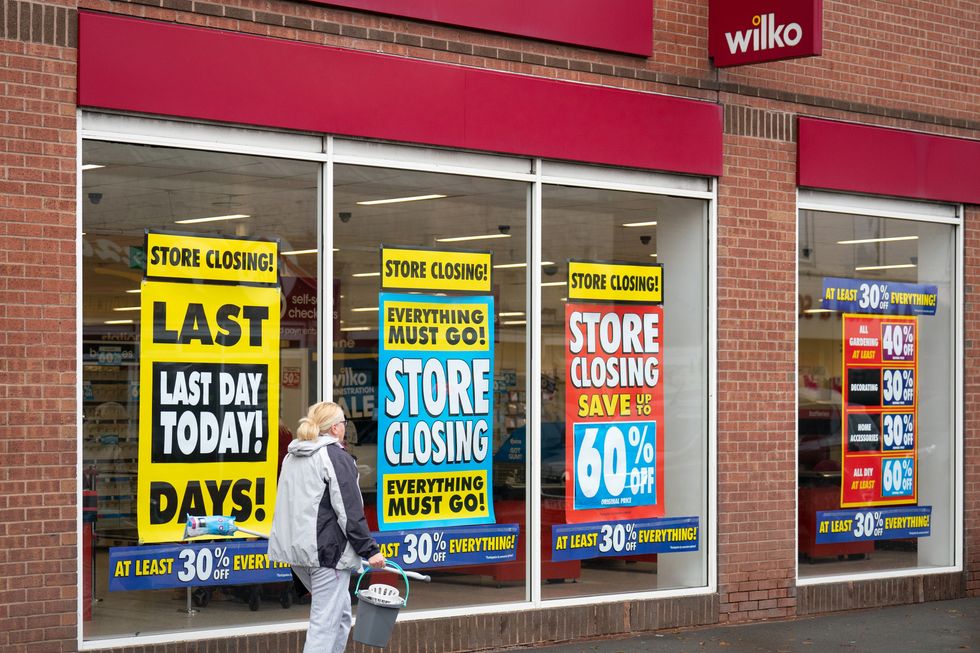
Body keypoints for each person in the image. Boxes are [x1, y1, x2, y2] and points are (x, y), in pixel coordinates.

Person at [269, 401, 385, 653]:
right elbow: (349, 511)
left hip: (298, 552)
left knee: (340, 616)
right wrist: (369, 550)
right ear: (334, 429)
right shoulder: (335, 457)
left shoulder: (292, 455)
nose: (345, 427)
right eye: (343, 423)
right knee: (325, 623)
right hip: (326, 554)